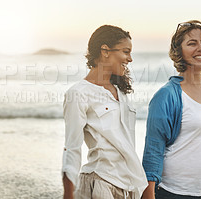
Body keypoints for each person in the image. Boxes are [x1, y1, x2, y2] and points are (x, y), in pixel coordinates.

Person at [141, 20, 201, 199]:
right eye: (192, 43)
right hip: (173, 192)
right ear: (179, 52)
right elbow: (153, 150)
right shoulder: (166, 95)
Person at [62, 25, 147, 199]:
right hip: (101, 183)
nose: (130, 59)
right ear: (105, 51)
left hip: (129, 186)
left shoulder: (121, 92)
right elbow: (72, 148)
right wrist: (68, 194)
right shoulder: (78, 93)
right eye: (125, 51)